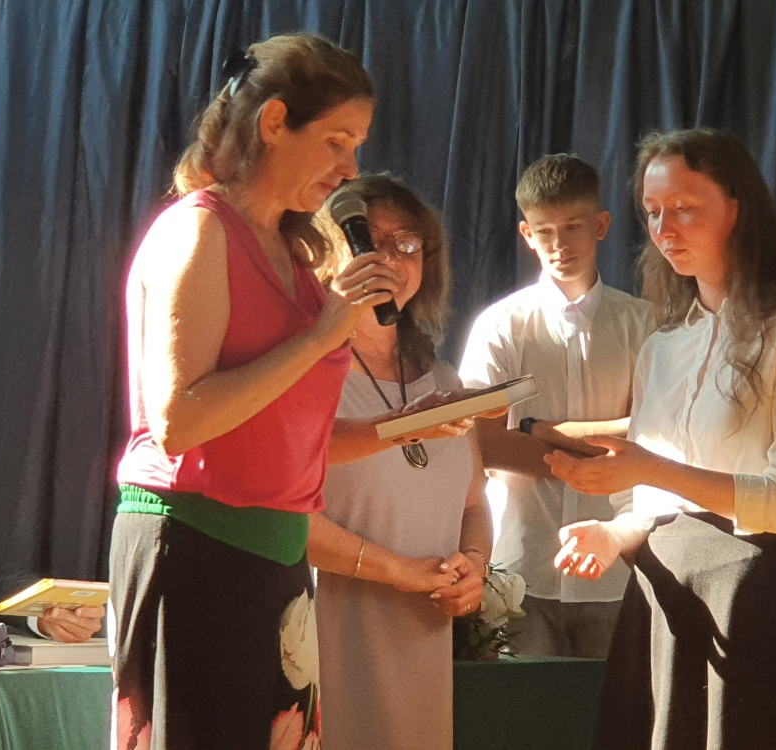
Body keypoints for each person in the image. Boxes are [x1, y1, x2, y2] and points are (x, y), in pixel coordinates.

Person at [110, 34, 401, 749]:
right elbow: (180, 422)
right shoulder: (199, 230)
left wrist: (411, 426)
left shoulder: (295, 254)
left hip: (275, 561)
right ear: (274, 122)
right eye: (336, 141)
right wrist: (322, 334)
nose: (350, 168)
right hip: (194, 548)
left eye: (357, 146)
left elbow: (284, 442)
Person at [546, 129, 776, 748]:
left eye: (685, 208)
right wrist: (614, 533)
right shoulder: (662, 347)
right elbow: (654, 504)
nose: (666, 229)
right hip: (663, 595)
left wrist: (652, 468)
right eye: (653, 211)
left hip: (753, 598)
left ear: (737, 208)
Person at [309, 173, 492, 750]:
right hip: (327, 632)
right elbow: (279, 512)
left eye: (406, 243)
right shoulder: (303, 368)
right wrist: (396, 571)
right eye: (368, 240)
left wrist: (475, 566)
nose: (389, 258)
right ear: (330, 254)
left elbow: (475, 504)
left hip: (421, 637)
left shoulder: (441, 376)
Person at [458, 154, 656, 658]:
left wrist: (537, 429)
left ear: (601, 225)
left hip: (619, 571)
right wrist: (609, 450)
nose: (560, 244)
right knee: (528, 708)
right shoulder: (500, 326)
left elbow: (658, 437)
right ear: (527, 234)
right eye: (545, 231)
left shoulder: (644, 324)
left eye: (573, 227)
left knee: (615, 709)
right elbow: (479, 443)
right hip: (521, 572)